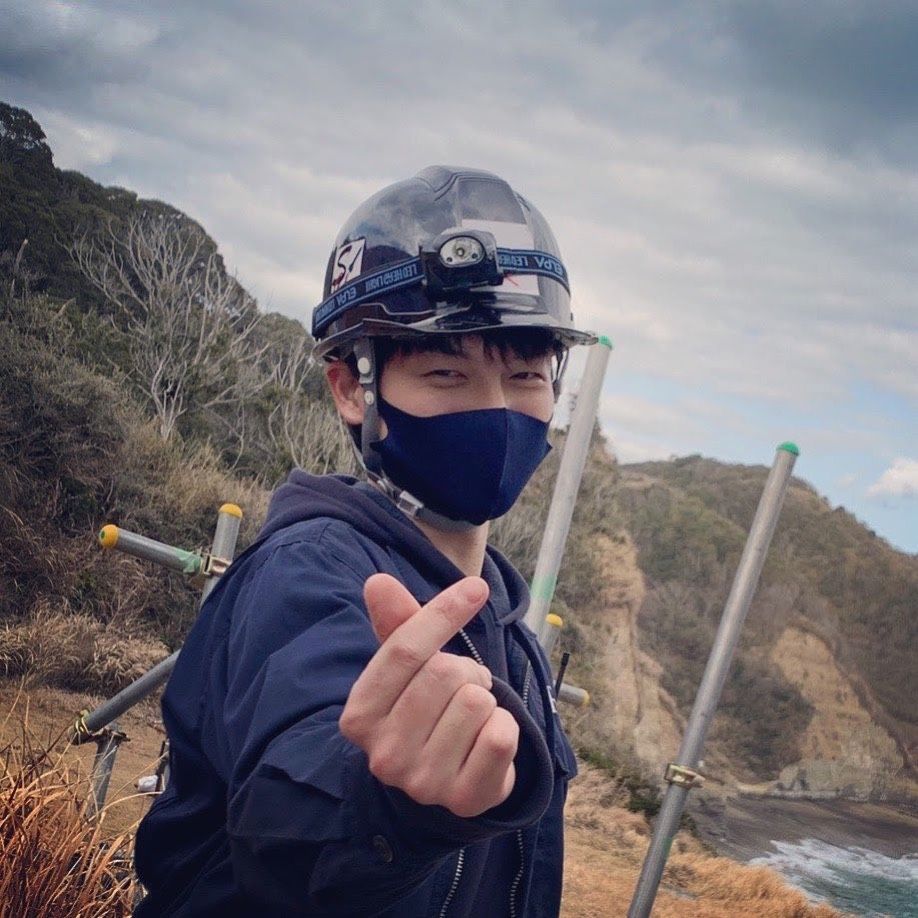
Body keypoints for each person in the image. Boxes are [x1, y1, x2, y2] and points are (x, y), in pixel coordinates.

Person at [133, 166, 596, 916]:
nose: (497, 409)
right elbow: (292, 816)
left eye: (525, 376)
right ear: (352, 388)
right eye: (446, 372)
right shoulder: (309, 573)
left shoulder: (508, 628)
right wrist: (387, 809)